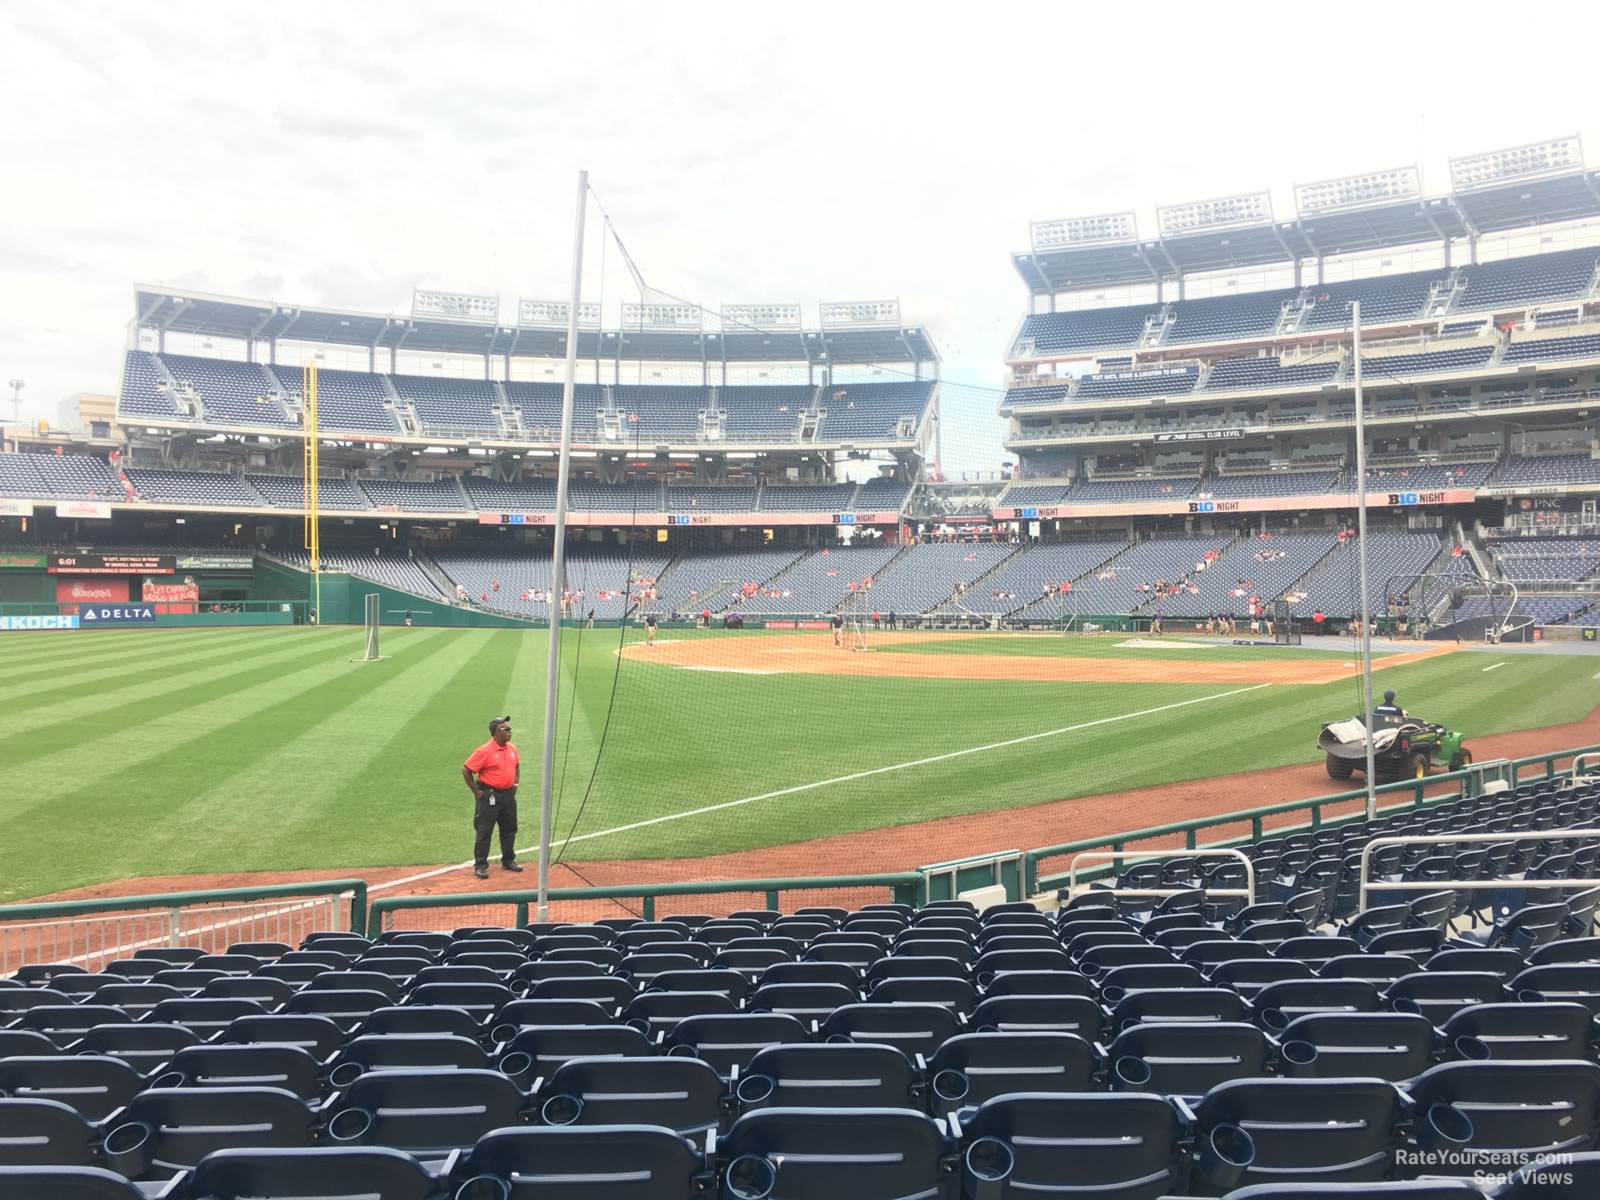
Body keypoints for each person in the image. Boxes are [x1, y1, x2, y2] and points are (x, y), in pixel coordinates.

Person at [462, 716, 521, 880]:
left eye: (510, 728)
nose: (510, 731)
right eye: (506, 729)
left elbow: (517, 766)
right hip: (489, 796)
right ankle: (480, 865)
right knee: (484, 831)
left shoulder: (512, 749)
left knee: (509, 829)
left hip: (508, 795)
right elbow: (466, 770)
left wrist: (515, 784)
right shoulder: (484, 751)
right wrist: (476, 792)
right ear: (496, 733)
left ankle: (508, 860)